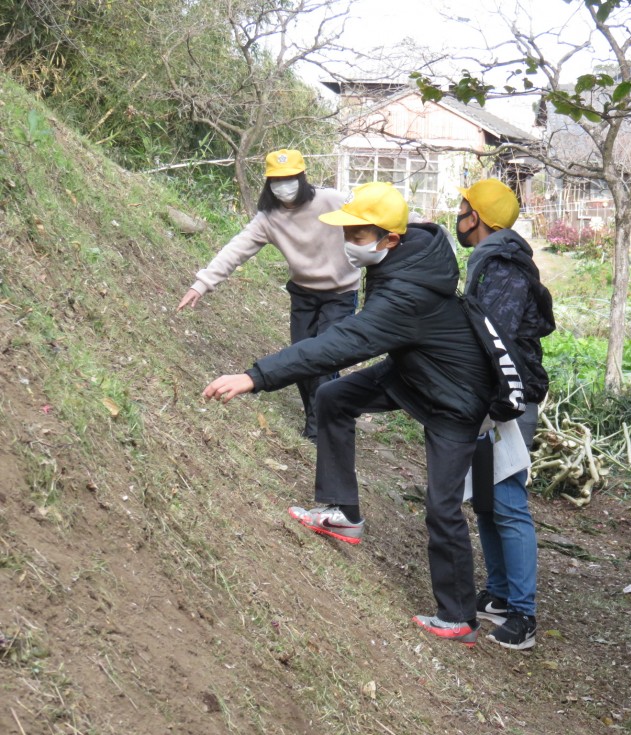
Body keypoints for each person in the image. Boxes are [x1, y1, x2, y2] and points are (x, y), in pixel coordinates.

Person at [203, 182, 495, 646]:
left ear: (389, 239)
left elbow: (343, 341)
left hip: (454, 399)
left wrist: (256, 376)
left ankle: (459, 616)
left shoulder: (407, 292)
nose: (347, 243)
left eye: (357, 236)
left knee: (442, 507)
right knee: (334, 398)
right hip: (413, 371)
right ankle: (342, 511)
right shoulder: (410, 252)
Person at [178, 149, 360, 441]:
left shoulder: (331, 201)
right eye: (276, 180)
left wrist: (413, 226)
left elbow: (375, 214)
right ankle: (313, 417)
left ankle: (319, 430)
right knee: (302, 357)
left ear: (302, 178)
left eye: (289, 178)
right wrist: (202, 283)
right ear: (268, 184)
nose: (283, 185)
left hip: (340, 293)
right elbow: (236, 250)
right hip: (303, 294)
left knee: (326, 359)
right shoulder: (268, 219)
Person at [456, 178, 555, 650]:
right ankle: (498, 594)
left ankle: (523, 615)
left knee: (509, 502)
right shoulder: (492, 260)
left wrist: (496, 401)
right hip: (491, 398)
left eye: (462, 207)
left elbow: (494, 339)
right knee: (488, 502)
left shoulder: (504, 267)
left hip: (509, 400)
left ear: (478, 217)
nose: (457, 216)